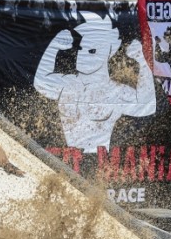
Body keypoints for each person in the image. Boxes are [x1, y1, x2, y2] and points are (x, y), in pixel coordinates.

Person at [34, 11, 156, 154]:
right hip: (65, 160)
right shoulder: (69, 83)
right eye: (81, 49)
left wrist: (141, 61)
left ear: (108, 52)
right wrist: (53, 47)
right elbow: (41, 83)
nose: (83, 54)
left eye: (92, 51)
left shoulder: (115, 91)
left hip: (96, 162)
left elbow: (147, 105)